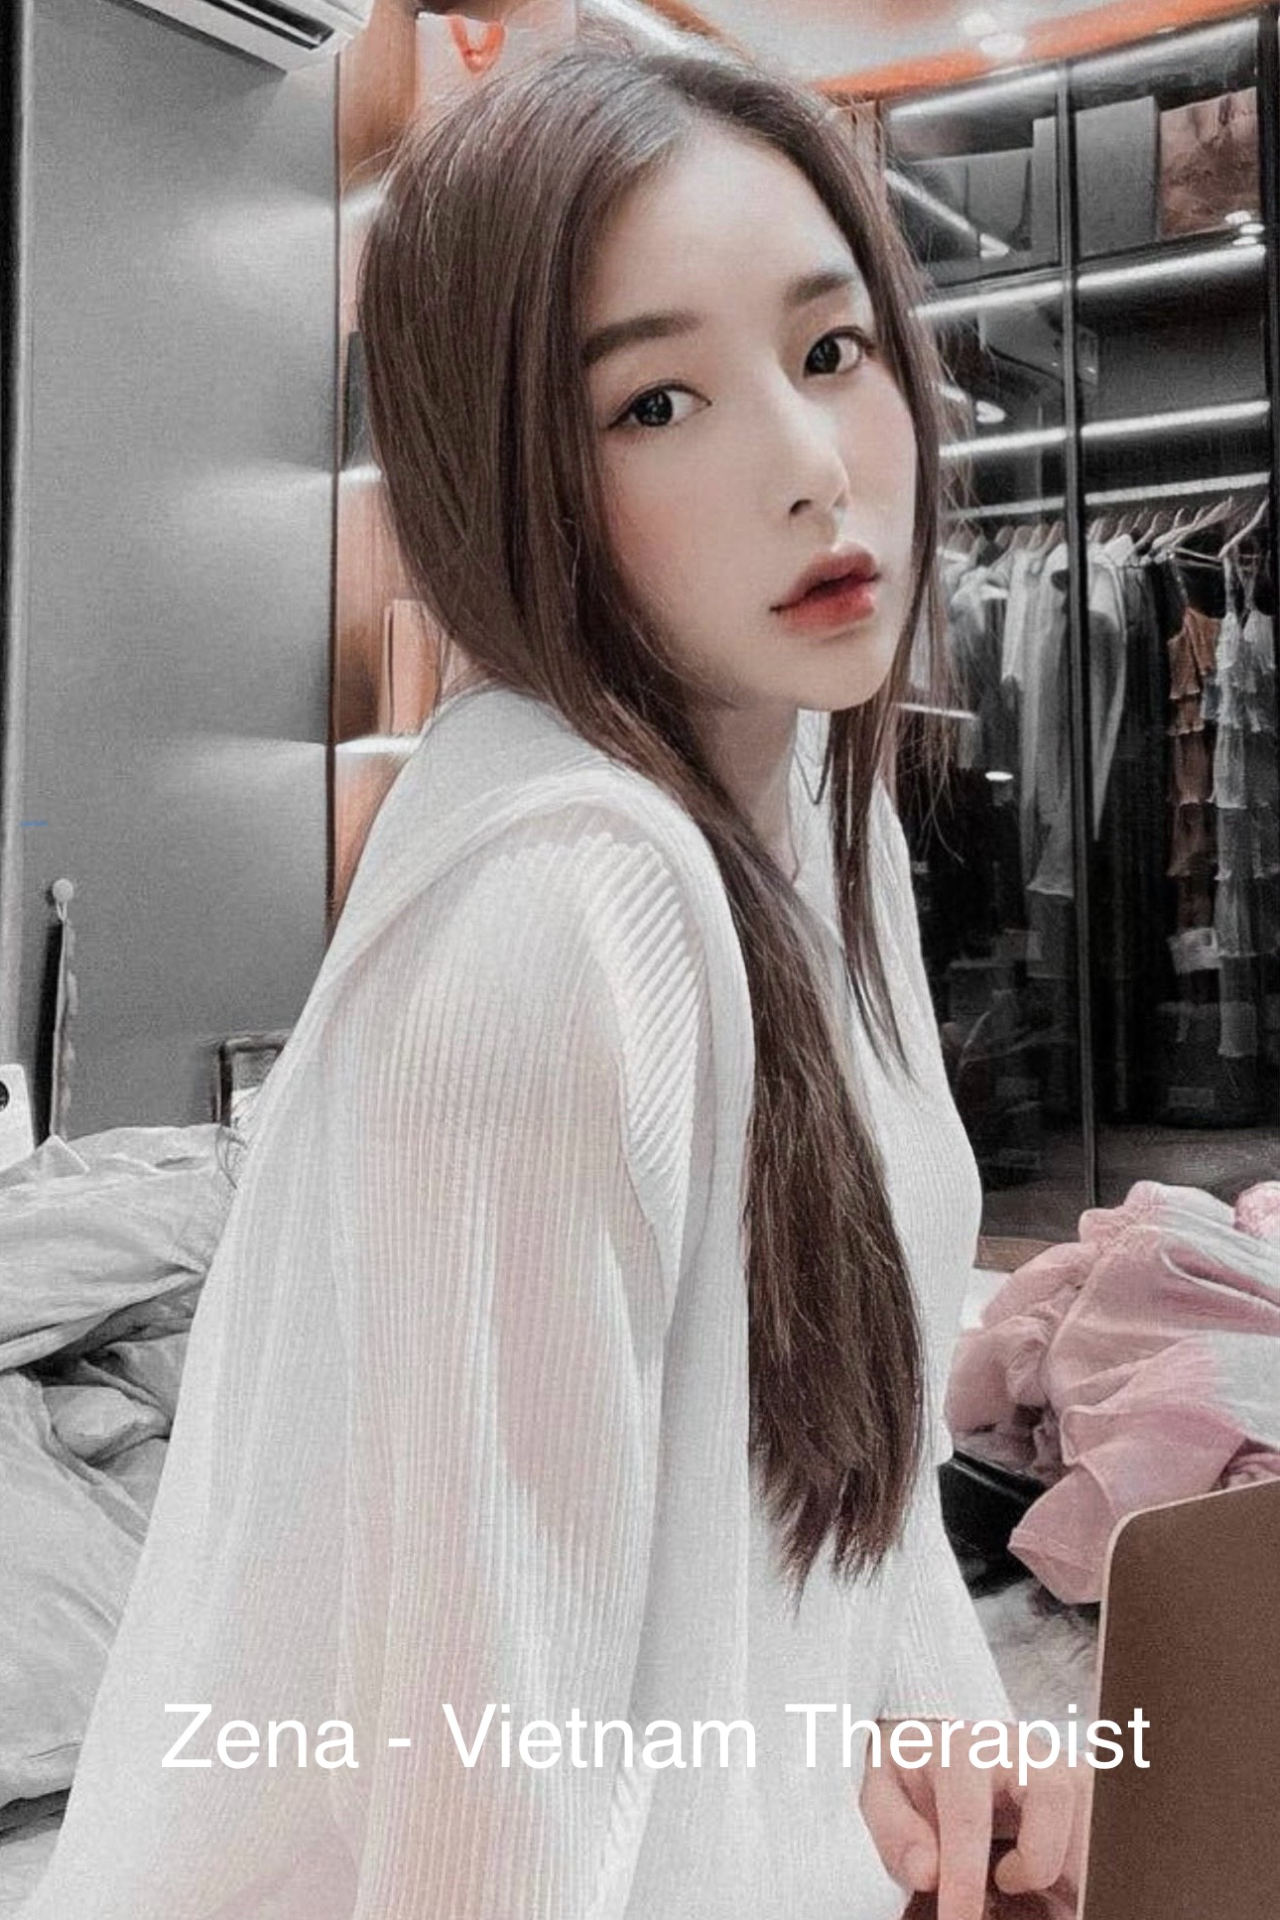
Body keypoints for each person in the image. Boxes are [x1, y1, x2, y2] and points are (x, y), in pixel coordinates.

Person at [16, 38, 1087, 1920]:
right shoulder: (560, 919)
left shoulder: (816, 808)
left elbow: (850, 1439)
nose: (810, 465)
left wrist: (949, 1731)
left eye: (830, 350)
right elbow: (484, 1812)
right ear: (506, 476)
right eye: (655, 403)